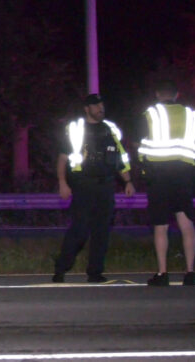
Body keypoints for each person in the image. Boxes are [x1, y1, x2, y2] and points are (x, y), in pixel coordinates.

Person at [53, 94, 135, 283]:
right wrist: (62, 183)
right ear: (86, 108)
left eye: (102, 104)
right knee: (79, 230)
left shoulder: (110, 131)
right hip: (83, 185)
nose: (100, 108)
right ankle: (61, 268)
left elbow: (119, 159)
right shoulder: (76, 131)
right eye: (96, 105)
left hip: (105, 185)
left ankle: (95, 272)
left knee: (102, 231)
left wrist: (128, 181)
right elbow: (62, 159)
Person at [137, 80, 195, 286]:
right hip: (184, 172)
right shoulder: (192, 115)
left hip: (159, 174)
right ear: (177, 94)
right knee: (186, 222)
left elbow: (143, 142)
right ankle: (190, 272)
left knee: (160, 225)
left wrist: (143, 165)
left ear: (157, 94)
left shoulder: (151, 113)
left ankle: (162, 273)